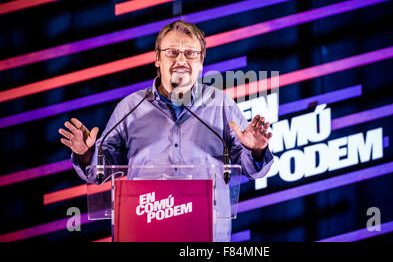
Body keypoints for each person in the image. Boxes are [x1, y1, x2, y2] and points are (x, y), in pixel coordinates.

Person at [58, 20, 274, 241]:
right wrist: (86, 153)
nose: (181, 60)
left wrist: (256, 150)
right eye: (172, 52)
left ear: (201, 61)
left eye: (190, 53)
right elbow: (98, 172)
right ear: (157, 59)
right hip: (145, 232)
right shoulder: (130, 108)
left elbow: (254, 170)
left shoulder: (221, 105)